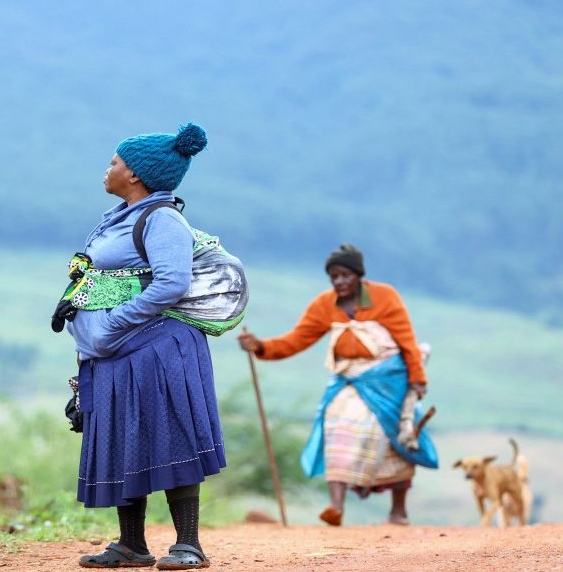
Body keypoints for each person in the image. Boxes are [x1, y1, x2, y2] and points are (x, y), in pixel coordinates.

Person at [65, 123, 224, 570]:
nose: (108, 169)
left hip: (158, 347)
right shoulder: (121, 217)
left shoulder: (163, 219)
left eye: (115, 162)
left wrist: (115, 321)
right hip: (116, 353)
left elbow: (172, 281)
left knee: (172, 436)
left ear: (135, 175)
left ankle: (188, 544)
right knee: (124, 435)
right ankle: (131, 544)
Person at [238, 244, 437, 526]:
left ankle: (398, 511)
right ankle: (336, 506)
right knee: (336, 423)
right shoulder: (324, 305)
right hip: (349, 379)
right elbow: (296, 340)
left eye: (345, 275)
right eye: (334, 277)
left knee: (395, 435)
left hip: (389, 381)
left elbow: (407, 342)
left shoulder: (385, 297)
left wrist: (417, 381)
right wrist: (261, 346)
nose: (339, 282)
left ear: (358, 275)